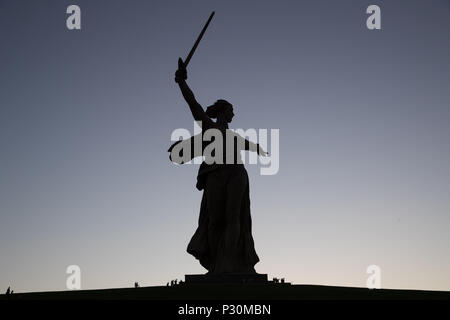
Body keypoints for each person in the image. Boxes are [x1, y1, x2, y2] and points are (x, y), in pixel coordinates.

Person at [174, 58, 267, 274]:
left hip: (236, 174)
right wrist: (182, 82)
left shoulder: (233, 136)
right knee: (215, 219)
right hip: (215, 175)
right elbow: (193, 104)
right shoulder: (208, 126)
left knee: (234, 217)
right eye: (231, 110)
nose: (234, 114)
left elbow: (246, 144)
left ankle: (230, 263)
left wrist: (257, 148)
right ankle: (217, 264)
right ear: (224, 111)